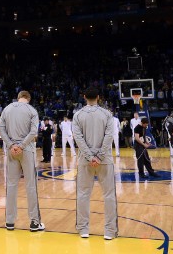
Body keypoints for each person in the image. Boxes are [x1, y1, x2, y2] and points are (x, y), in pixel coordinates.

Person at [72, 87, 117, 240]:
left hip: (85, 161)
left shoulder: (77, 115)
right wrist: (99, 156)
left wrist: (90, 156)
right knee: (109, 195)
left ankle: (84, 229)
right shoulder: (107, 114)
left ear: (84, 97)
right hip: (105, 161)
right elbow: (109, 136)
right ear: (98, 97)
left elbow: (78, 139)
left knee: (83, 195)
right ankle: (110, 231)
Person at [0, 91, 45, 232]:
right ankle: (34, 222)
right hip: (27, 151)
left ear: (18, 97)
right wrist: (22, 145)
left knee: (11, 186)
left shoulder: (7, 109)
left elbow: (1, 129)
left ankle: (10, 221)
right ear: (28, 99)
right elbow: (33, 132)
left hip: (12, 151)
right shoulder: (32, 110)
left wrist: (11, 145)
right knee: (31, 186)